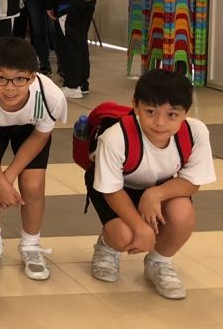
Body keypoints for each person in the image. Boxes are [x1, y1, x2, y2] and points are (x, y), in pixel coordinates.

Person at [87, 70, 215, 299]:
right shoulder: (115, 137)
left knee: (183, 213)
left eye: (172, 114)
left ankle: (159, 262)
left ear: (185, 113)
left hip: (160, 187)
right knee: (124, 236)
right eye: (150, 111)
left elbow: (192, 182)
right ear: (135, 106)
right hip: (116, 189)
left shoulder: (195, 132)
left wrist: (154, 195)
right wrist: (140, 227)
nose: (160, 122)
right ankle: (107, 245)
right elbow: (111, 189)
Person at [0, 37, 67, 281]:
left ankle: (31, 245)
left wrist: (7, 179)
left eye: (19, 79)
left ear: (32, 77)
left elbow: (40, 136)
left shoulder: (51, 97)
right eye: (0, 78)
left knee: (33, 185)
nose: (9, 88)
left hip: (31, 131)